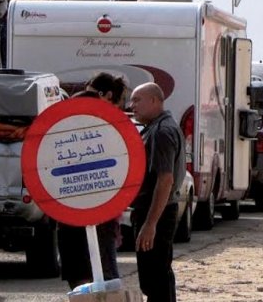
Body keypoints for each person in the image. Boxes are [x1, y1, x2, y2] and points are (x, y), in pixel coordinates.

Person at [57, 72, 127, 289]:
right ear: (106, 95)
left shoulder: (66, 109)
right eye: (116, 103)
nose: (117, 109)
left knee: (77, 274)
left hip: (67, 205)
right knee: (104, 278)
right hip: (99, 208)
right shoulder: (103, 117)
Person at [129, 82, 185, 302]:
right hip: (155, 211)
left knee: (155, 280)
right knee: (156, 278)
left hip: (156, 213)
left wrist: (150, 223)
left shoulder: (162, 131)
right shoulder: (157, 127)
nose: (131, 105)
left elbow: (165, 179)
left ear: (154, 101)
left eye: (137, 100)